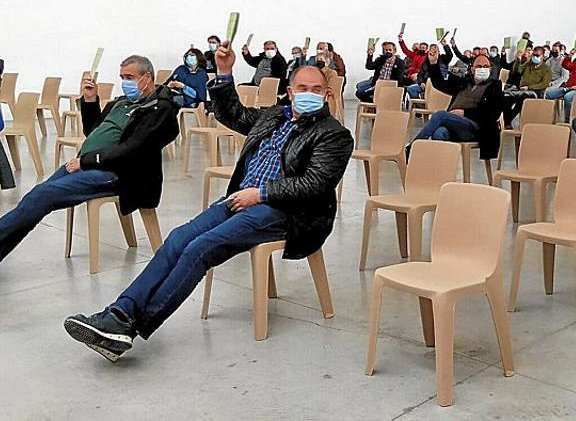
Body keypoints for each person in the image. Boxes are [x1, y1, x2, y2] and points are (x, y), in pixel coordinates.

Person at [63, 45, 354, 361]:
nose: (309, 94)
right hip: (241, 199)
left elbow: (315, 184)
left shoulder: (334, 134)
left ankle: (129, 328)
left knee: (200, 247)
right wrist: (225, 73)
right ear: (290, 90)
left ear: (327, 94)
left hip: (287, 211)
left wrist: (260, 194)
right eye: (302, 88)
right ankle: (119, 313)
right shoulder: (273, 116)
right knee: (177, 240)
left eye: (316, 89)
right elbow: (233, 114)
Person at [0, 56, 179, 262]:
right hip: (86, 164)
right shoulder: (121, 103)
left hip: (119, 173)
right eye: (122, 77)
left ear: (147, 78)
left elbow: (131, 150)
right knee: (36, 198)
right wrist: (90, 100)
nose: (125, 82)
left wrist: (86, 161)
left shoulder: (159, 109)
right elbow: (93, 130)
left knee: (41, 196)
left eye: (130, 77)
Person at [411, 54, 502, 161]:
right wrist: (434, 64)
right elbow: (439, 84)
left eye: (486, 66)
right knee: (439, 133)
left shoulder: (494, 86)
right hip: (455, 125)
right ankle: (442, 168)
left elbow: (493, 113)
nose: (482, 69)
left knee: (440, 115)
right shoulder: (464, 82)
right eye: (479, 66)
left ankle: (413, 149)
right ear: (472, 68)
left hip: (476, 127)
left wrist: (465, 113)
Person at [503, 46, 550, 127]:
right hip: (521, 90)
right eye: (534, 55)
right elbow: (517, 70)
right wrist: (518, 60)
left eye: (537, 56)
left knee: (522, 99)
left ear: (543, 56)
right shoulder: (529, 64)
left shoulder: (546, 69)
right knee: (506, 97)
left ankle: (508, 119)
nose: (535, 57)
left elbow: (544, 84)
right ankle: (507, 123)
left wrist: (529, 87)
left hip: (535, 92)